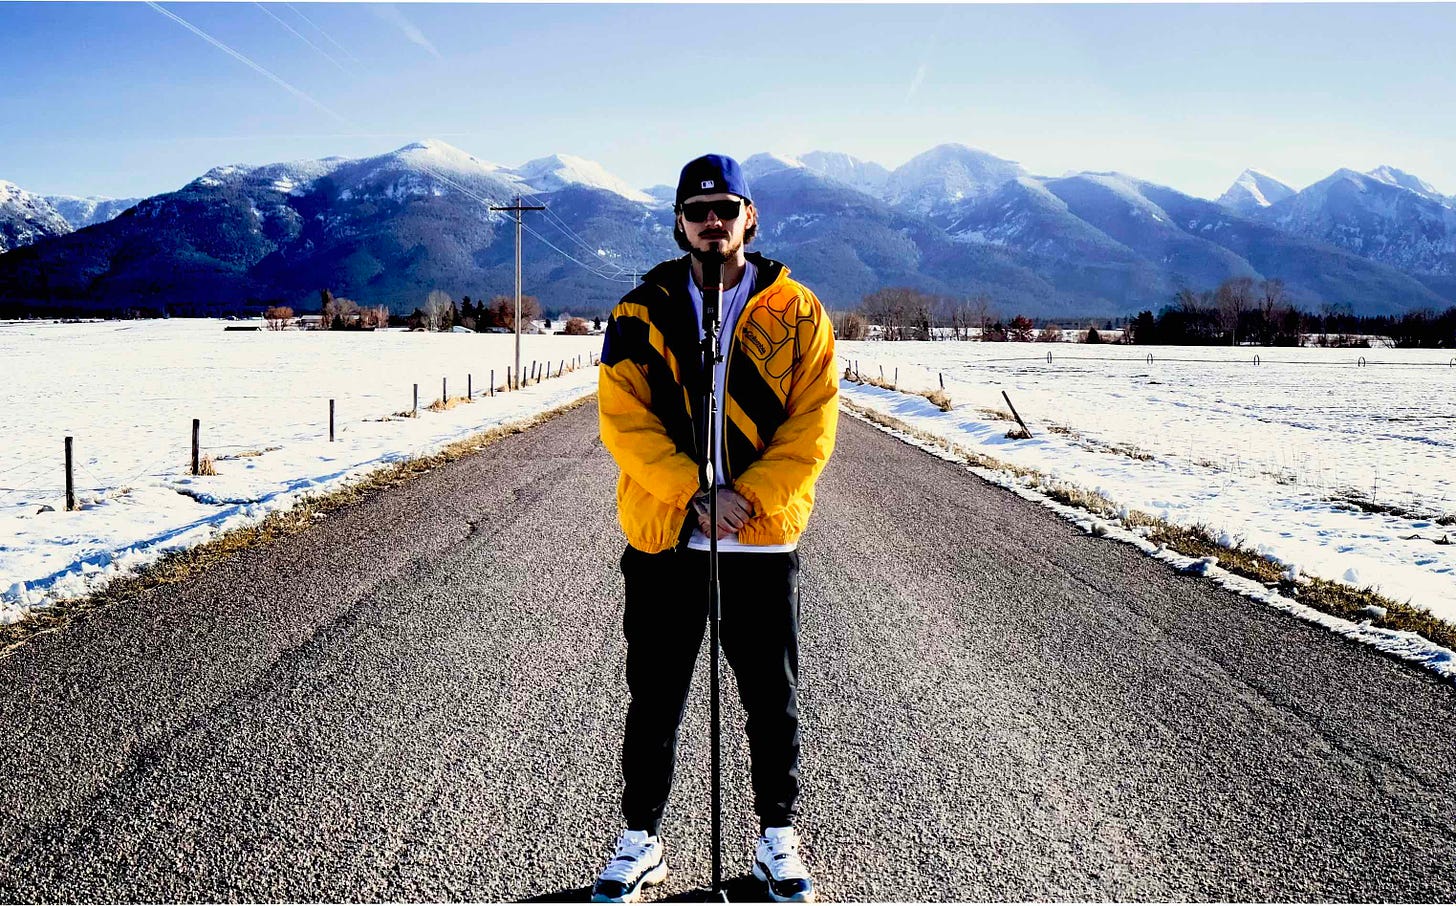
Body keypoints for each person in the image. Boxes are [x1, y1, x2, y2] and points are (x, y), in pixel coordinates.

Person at [592, 154, 839, 904]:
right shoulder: (639, 310)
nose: (711, 222)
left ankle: (777, 839)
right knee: (656, 694)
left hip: (762, 539)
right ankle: (640, 841)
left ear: (749, 218)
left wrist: (748, 499)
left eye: (725, 209)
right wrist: (694, 494)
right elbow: (623, 420)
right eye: (697, 211)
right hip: (668, 533)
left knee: (773, 694)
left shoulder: (799, 311)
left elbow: (814, 423)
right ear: (677, 223)